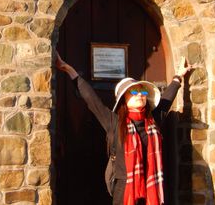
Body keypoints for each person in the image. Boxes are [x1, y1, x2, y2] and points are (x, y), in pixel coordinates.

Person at [55, 52, 192, 205]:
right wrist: (69, 70)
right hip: (125, 190)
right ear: (123, 100)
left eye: (143, 91)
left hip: (151, 187)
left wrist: (178, 76)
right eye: (134, 91)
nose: (140, 94)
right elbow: (91, 99)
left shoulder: (153, 120)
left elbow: (167, 99)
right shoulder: (114, 122)